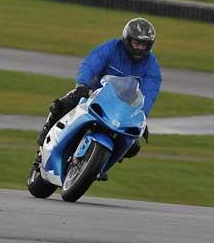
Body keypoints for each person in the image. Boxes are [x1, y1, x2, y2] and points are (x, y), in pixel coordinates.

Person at [36, 17, 162, 163]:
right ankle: (46, 133)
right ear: (127, 40)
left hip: (124, 110)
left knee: (133, 146)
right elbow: (91, 64)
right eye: (137, 43)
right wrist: (82, 85)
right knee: (64, 104)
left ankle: (101, 163)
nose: (140, 48)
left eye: (144, 45)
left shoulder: (152, 66)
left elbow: (150, 93)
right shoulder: (111, 48)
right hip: (94, 95)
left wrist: (142, 116)